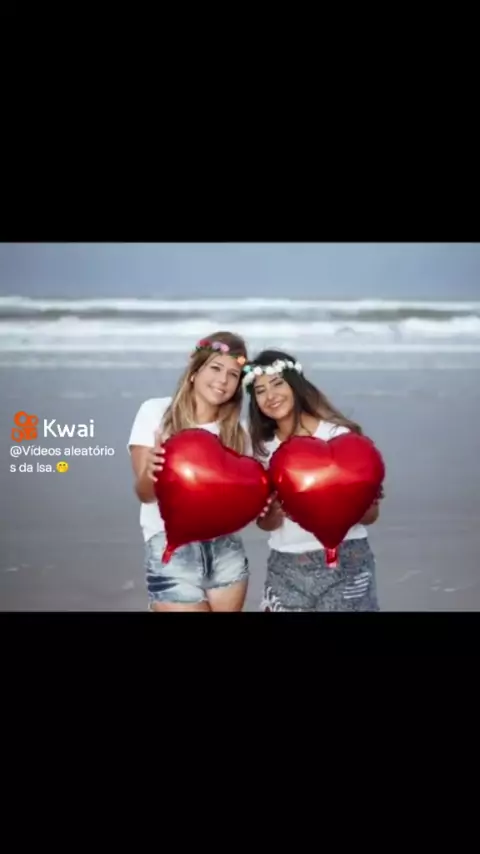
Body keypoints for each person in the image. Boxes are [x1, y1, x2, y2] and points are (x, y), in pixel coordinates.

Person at [128, 331, 260, 612]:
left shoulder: (240, 433)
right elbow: (144, 495)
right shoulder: (155, 413)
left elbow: (242, 506)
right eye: (216, 368)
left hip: (226, 552)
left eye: (233, 375)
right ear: (195, 371)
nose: (223, 380)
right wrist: (151, 471)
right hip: (170, 550)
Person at [244, 349, 384, 612]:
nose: (270, 396)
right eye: (260, 391)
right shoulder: (261, 450)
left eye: (277, 384)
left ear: (295, 385)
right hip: (285, 566)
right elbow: (266, 524)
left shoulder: (339, 437)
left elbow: (371, 515)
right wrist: (273, 512)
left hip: (347, 562)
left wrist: (353, 499)